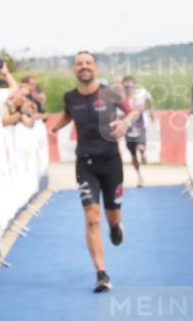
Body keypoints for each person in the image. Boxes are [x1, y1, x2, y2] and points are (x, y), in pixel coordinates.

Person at [47, 51, 138, 292]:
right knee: (91, 216)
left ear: (95, 67)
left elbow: (133, 111)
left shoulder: (111, 94)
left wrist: (125, 123)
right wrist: (54, 128)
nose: (84, 67)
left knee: (112, 215)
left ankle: (116, 227)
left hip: (111, 164)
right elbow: (68, 113)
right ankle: (101, 273)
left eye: (88, 63)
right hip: (85, 164)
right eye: (79, 63)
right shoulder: (70, 97)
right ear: (74, 69)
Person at [122, 76, 153, 187]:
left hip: (140, 126)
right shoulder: (121, 99)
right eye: (126, 87)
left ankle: (143, 154)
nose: (128, 89)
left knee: (140, 147)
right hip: (128, 129)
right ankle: (139, 176)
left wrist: (151, 111)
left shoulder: (142, 93)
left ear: (134, 85)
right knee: (133, 156)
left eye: (130, 86)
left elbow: (150, 100)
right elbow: (118, 115)